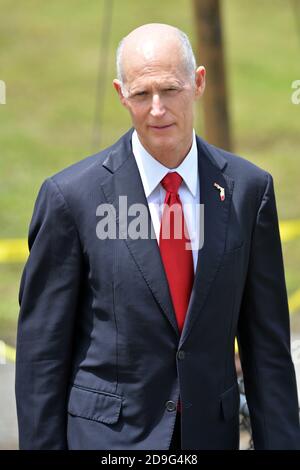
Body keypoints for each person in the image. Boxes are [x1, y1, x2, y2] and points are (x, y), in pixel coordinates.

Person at [15, 23, 300, 450]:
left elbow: (268, 351)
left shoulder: (248, 192)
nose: (157, 110)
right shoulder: (70, 199)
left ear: (198, 83)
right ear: (120, 94)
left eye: (170, 90)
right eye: (142, 94)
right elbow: (41, 359)